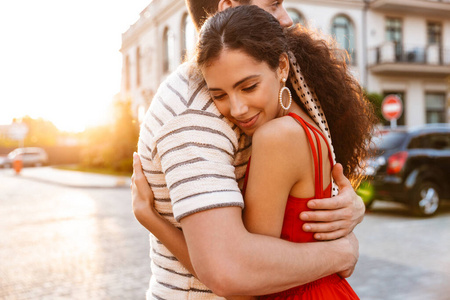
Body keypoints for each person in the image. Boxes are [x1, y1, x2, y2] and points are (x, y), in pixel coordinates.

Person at [133, 0, 367, 299]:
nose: (285, 19)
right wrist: (343, 248)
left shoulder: (276, 126)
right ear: (228, 6)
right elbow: (234, 269)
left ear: (279, 67)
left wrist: (150, 217)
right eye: (274, 4)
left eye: (248, 87)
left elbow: (237, 274)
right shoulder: (198, 109)